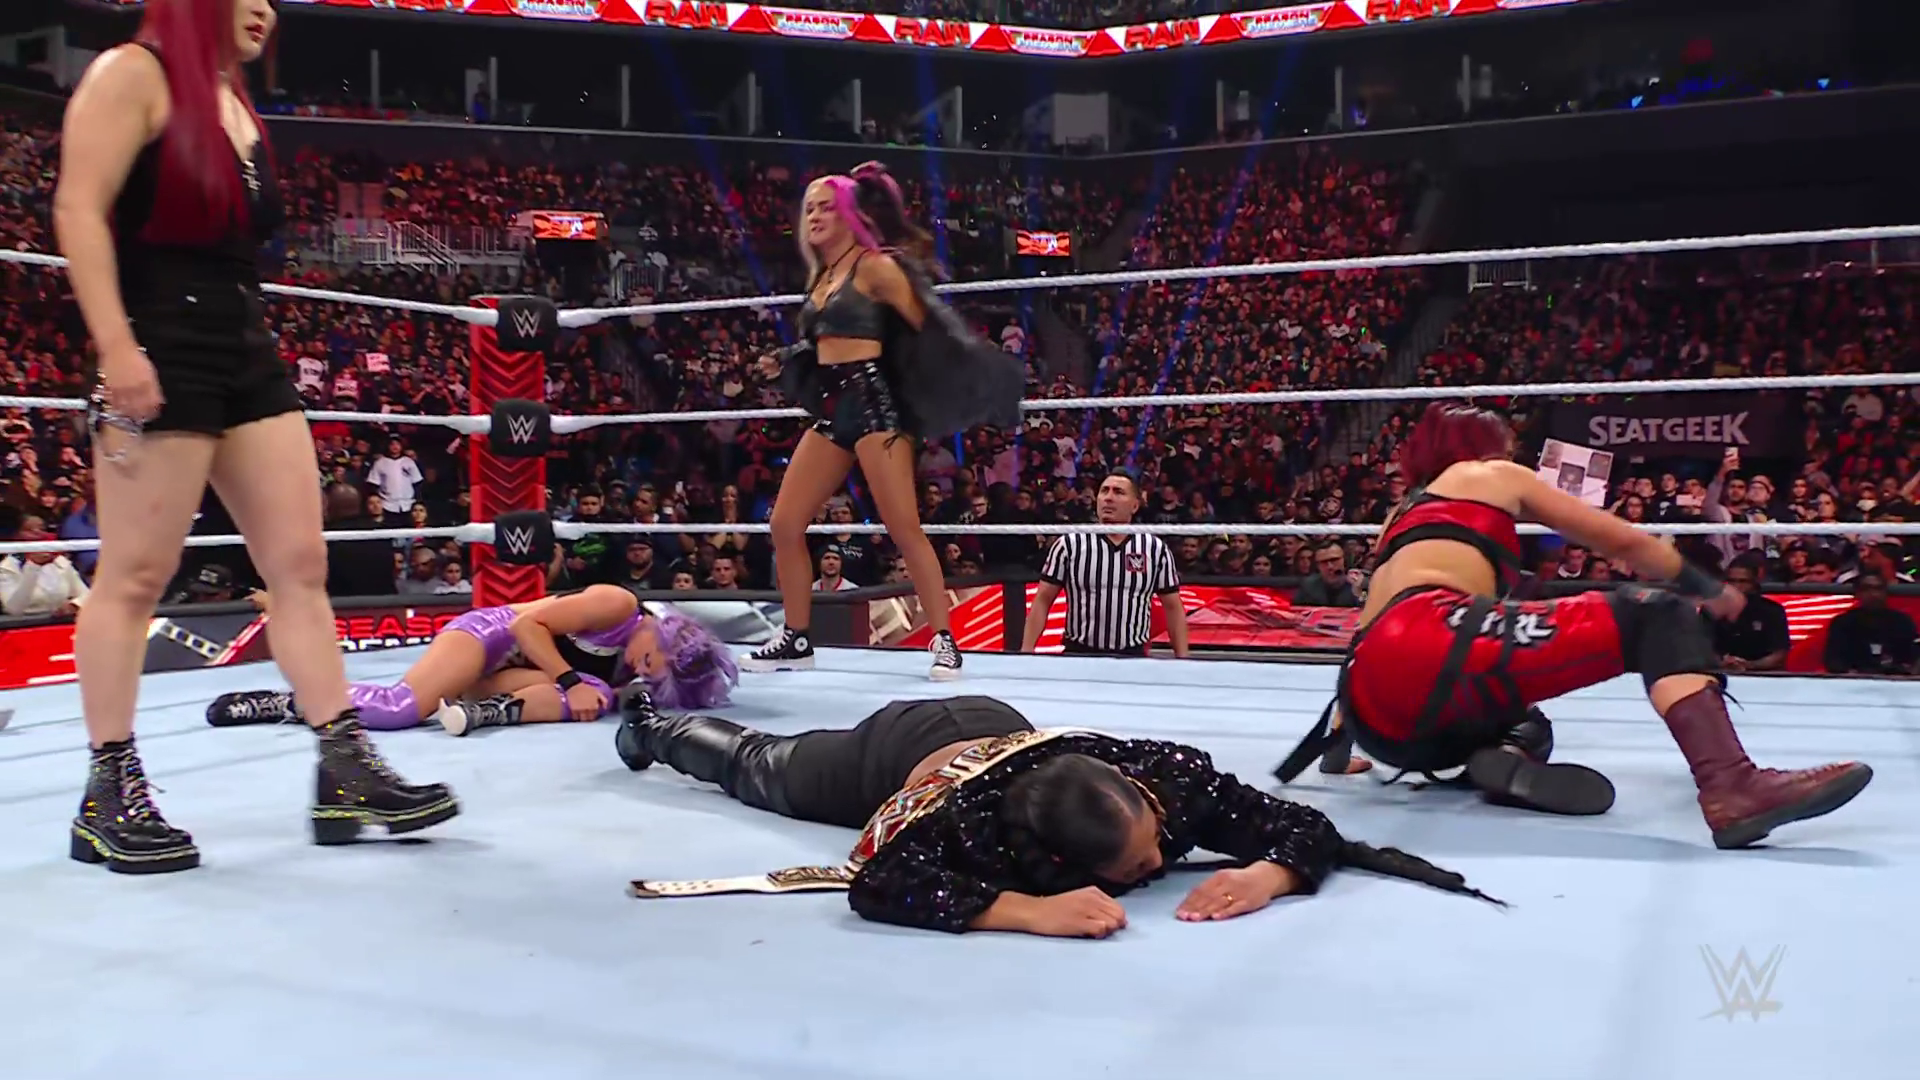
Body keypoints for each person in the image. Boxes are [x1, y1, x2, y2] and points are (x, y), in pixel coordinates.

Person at [53, 0, 455, 872]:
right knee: (134, 577)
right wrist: (116, 347)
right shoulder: (132, 74)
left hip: (243, 344)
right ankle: (107, 791)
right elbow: (78, 209)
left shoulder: (230, 99)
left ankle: (343, 765)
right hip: (159, 340)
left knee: (300, 565)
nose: (265, 9)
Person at [1275, 403, 1871, 848]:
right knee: (1657, 612)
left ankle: (1498, 757)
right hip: (1431, 641)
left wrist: (1334, 753)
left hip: (1379, 714)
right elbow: (1619, 541)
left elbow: (1369, 641)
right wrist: (1708, 587)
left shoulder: (1398, 517)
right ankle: (1732, 785)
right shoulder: (1489, 474)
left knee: (1526, 721)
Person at [616, 692, 1499, 936]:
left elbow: (1304, 826)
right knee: (761, 767)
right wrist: (1021, 910)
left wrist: (1270, 875)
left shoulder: (1171, 783)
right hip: (900, 754)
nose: (1159, 869)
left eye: (1154, 847)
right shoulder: (972, 831)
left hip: (1000, 720)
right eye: (1137, 871)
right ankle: (654, 728)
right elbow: (877, 880)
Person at [742, 161, 1023, 682]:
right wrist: (787, 359)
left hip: (875, 408)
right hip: (833, 409)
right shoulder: (823, 274)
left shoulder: (874, 267)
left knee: (903, 528)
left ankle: (945, 641)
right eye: (809, 208)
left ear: (850, 215)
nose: (815, 216)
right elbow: (829, 341)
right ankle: (796, 637)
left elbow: (928, 329)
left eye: (827, 207)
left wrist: (963, 376)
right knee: (784, 523)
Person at [206, 584, 737, 736]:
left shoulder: (630, 664)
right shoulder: (617, 604)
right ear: (666, 636)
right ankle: (287, 702)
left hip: (505, 674)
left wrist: (594, 689)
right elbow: (528, 626)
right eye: (650, 663)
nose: (641, 670)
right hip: (491, 636)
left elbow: (591, 691)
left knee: (597, 696)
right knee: (400, 709)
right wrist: (570, 680)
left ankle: (483, 713)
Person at [1020, 470, 1190, 658]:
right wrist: (1026, 653)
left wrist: (1183, 660)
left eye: (1118, 492)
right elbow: (1043, 600)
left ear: (1135, 505)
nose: (1108, 498)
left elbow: (1173, 608)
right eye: (1104, 491)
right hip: (1079, 654)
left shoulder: (1154, 549)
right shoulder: (1070, 544)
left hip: (1132, 656)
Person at [1823, 572, 1919, 675]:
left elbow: (1914, 657)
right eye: (1867, 589)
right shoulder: (1842, 623)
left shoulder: (1902, 622)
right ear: (1857, 593)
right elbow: (1834, 660)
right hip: (1855, 681)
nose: (1873, 594)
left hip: (1895, 680)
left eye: (1878, 589)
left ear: (1886, 593)